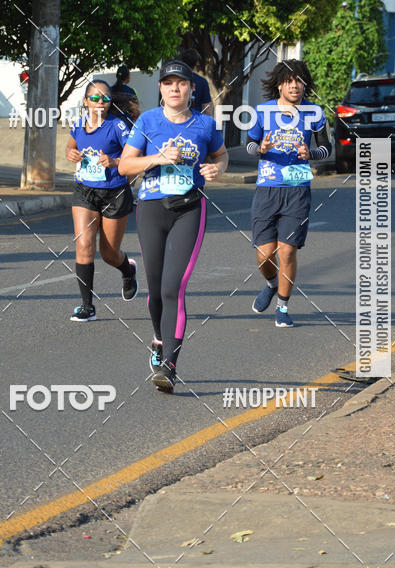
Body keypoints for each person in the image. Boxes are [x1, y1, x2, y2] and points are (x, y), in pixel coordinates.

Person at [119, 59, 228, 393]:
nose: (174, 88)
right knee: (154, 291)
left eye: (181, 83)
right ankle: (157, 338)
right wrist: (158, 158)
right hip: (151, 208)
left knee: (172, 288)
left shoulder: (205, 125)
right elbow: (125, 165)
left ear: (191, 88)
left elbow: (221, 156)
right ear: (161, 89)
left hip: (189, 209)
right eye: (168, 83)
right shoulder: (148, 121)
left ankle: (169, 365)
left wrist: (216, 170)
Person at [247, 59, 331, 328]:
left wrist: (312, 154)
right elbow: (249, 143)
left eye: (300, 81)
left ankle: (283, 306)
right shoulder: (263, 111)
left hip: (297, 191)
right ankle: (271, 284)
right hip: (267, 189)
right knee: (265, 254)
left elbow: (327, 148)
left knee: (287, 252)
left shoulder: (314, 113)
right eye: (289, 81)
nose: (295, 85)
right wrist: (260, 149)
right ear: (279, 84)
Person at [66, 80, 138, 321]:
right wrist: (70, 153)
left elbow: (135, 158)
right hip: (85, 190)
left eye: (105, 98)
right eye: (94, 98)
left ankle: (127, 270)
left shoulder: (118, 126)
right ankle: (87, 306)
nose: (100, 102)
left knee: (109, 253)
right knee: (84, 244)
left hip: (115, 192)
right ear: (85, 101)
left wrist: (116, 162)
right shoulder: (78, 124)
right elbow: (71, 144)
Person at [180, 47, 213, 115]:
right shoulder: (202, 82)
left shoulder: (175, 80)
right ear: (197, 62)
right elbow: (207, 109)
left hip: (177, 119)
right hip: (195, 120)